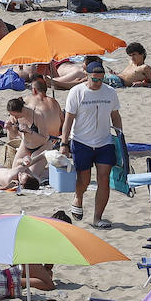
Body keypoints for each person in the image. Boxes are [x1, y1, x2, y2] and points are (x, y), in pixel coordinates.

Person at [58, 59, 122, 228]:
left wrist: (120, 137)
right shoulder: (76, 92)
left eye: (101, 79)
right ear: (87, 76)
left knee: (104, 179)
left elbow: (115, 116)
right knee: (84, 180)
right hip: (81, 142)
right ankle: (78, 197)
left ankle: (97, 218)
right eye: (94, 79)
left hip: (104, 142)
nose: (98, 82)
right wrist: (64, 144)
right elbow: (68, 120)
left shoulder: (110, 92)